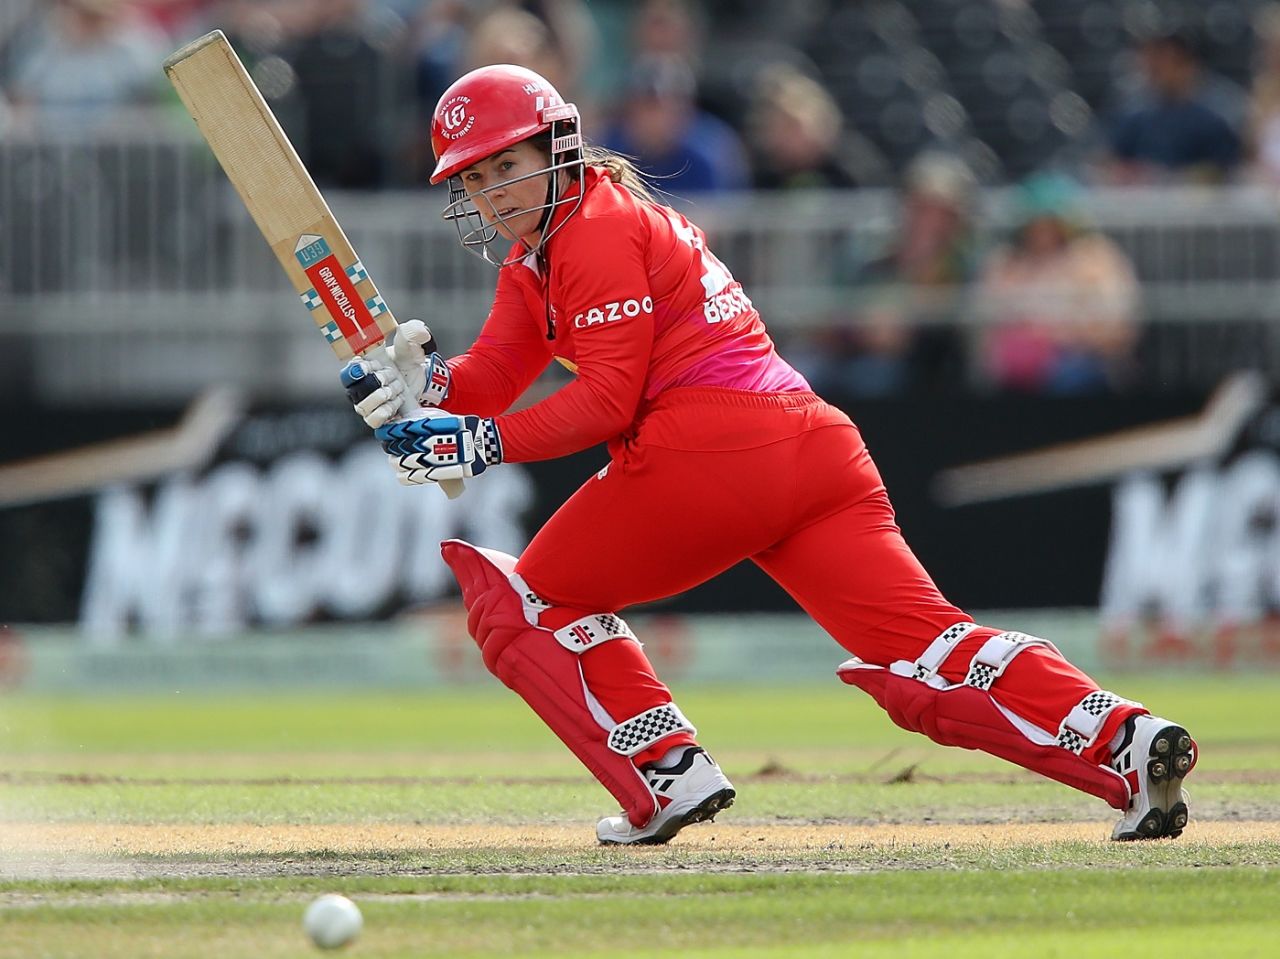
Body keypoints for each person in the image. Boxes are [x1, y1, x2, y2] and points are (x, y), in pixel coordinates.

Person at [340, 63, 1197, 845]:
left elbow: (607, 400)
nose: (494, 192)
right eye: (476, 178)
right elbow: (493, 375)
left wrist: (477, 440)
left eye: (506, 165)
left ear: (558, 146)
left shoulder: (595, 233)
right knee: (925, 655)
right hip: (812, 447)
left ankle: (665, 772)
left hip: (708, 446)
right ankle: (1125, 740)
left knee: (522, 605)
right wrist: (424, 385)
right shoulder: (544, 258)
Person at [973, 173, 1141, 394]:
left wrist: (1059, 335)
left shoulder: (1096, 258)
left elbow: (1118, 329)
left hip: (1085, 360)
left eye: (1050, 225)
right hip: (1016, 367)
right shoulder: (1005, 262)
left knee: (1068, 378)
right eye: (1036, 226)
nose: (1043, 234)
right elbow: (984, 325)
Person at [1101, 26, 1245, 184]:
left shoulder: (1215, 116)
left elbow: (1226, 169)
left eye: (1164, 62)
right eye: (1151, 62)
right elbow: (1113, 161)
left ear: (1187, 65)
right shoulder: (1135, 115)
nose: (1155, 70)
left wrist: (1175, 178)